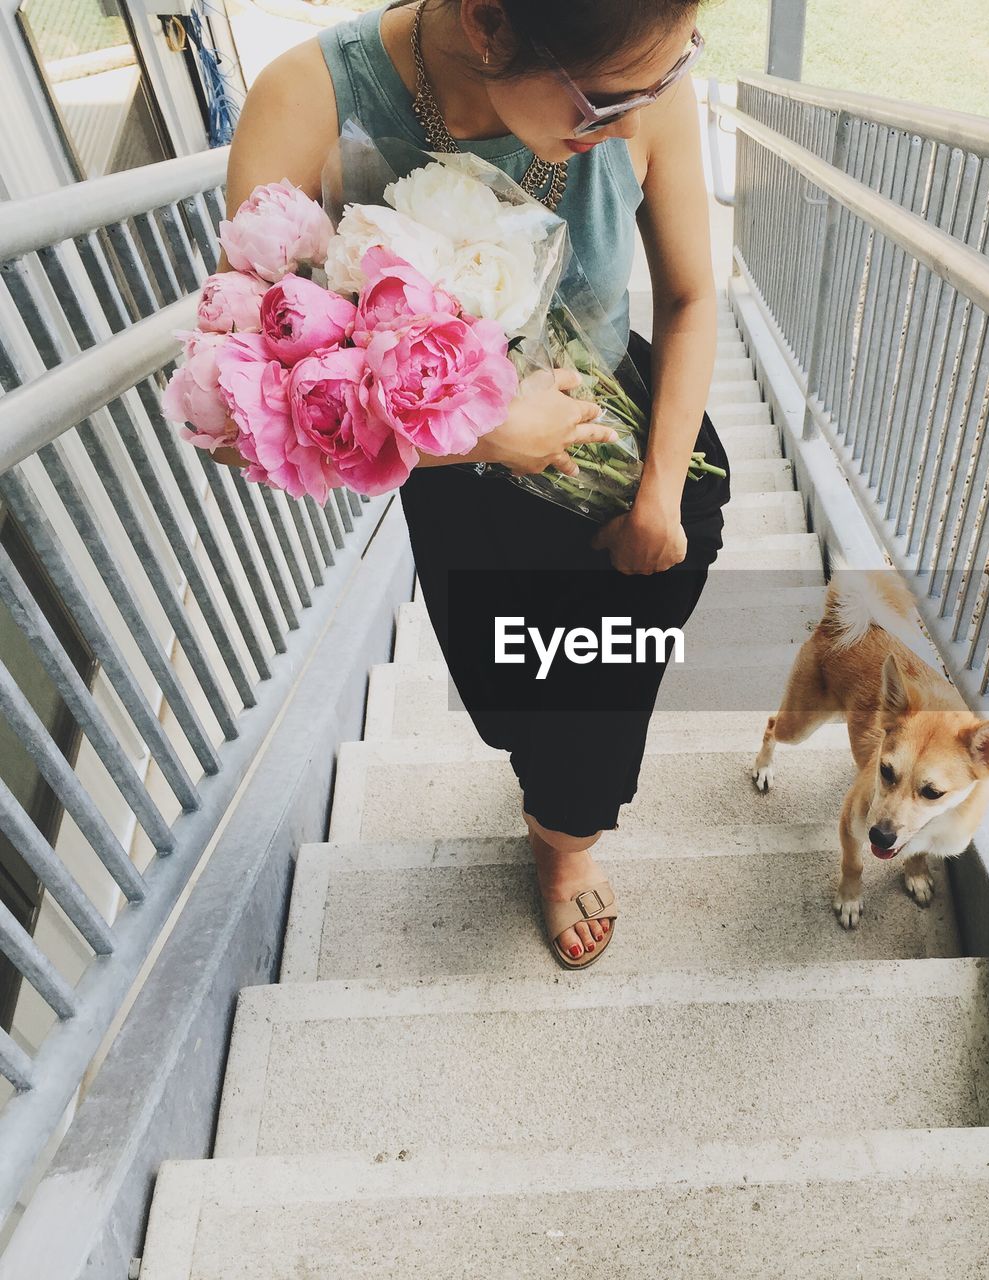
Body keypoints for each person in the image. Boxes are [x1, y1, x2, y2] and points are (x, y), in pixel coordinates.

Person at [211, 0, 730, 968]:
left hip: (631, 452)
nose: (631, 122)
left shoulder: (634, 68)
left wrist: (658, 491)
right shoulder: (309, 104)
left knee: (603, 689)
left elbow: (694, 295)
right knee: (507, 690)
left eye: (663, 80)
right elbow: (254, 416)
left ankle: (562, 840)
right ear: (489, 22)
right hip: (460, 490)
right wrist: (487, 433)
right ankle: (548, 785)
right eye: (600, 107)